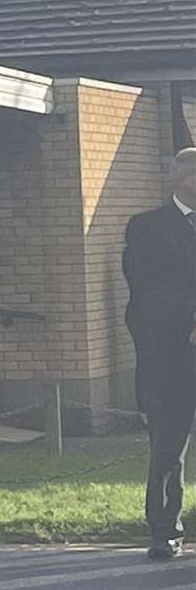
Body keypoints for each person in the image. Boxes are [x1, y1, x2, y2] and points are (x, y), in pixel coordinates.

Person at [122, 146, 196, 561]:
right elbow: (144, 294)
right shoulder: (146, 228)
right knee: (168, 448)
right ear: (178, 179)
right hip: (172, 357)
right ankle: (164, 530)